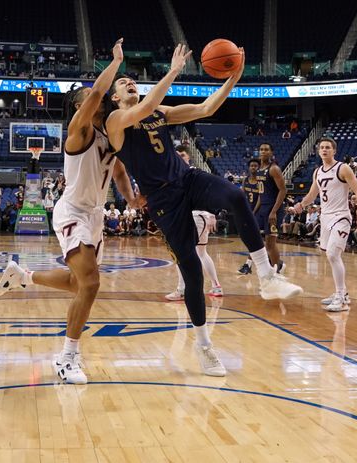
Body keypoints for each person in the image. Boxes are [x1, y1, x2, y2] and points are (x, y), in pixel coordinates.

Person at [104, 44, 302, 377]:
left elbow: (206, 108)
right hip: (164, 202)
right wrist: (174, 70)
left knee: (237, 196)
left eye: (132, 81)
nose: (130, 84)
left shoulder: (159, 112)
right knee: (192, 273)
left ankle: (266, 277)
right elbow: (145, 107)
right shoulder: (115, 121)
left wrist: (233, 79)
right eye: (123, 84)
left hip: (187, 179)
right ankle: (204, 345)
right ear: (113, 97)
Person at [0, 40, 136, 384]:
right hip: (71, 210)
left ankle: (24, 276)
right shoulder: (79, 129)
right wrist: (115, 61)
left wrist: (131, 198)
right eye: (87, 95)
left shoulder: (109, 133)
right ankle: (67, 357)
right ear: (78, 105)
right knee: (91, 282)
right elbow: (95, 94)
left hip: (95, 215)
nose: (94, 95)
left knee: (78, 283)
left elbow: (116, 169)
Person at [290, 137, 357, 311]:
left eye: (328, 147)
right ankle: (343, 293)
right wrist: (301, 205)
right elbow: (311, 194)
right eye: (322, 147)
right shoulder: (317, 171)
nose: (324, 150)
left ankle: (340, 297)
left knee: (333, 254)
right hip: (325, 217)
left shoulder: (343, 168)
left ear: (334, 151)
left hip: (341, 217)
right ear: (318, 151)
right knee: (330, 256)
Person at [165, 147, 223, 300]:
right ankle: (216, 286)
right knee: (201, 253)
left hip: (196, 215)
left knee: (182, 253)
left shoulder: (192, 173)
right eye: (177, 155)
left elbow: (210, 193)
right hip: (195, 216)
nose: (180, 157)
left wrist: (212, 214)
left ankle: (182, 290)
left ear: (189, 157)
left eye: (182, 155)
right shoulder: (174, 174)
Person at [239, 144, 286, 274]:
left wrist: (274, 211)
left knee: (270, 244)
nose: (263, 151)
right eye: (261, 149)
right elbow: (261, 193)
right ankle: (272, 265)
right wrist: (254, 211)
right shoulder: (259, 170)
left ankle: (277, 272)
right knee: (255, 239)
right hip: (262, 209)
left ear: (271, 153)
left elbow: (283, 190)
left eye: (266, 149)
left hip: (273, 209)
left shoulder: (274, 169)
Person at [238, 159, 262, 274]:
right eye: (251, 166)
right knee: (252, 239)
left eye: (255, 166)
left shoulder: (261, 181)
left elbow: (261, 199)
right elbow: (242, 194)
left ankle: (248, 265)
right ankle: (275, 262)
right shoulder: (245, 180)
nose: (253, 168)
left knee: (255, 240)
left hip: (258, 212)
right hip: (248, 211)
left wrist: (253, 212)